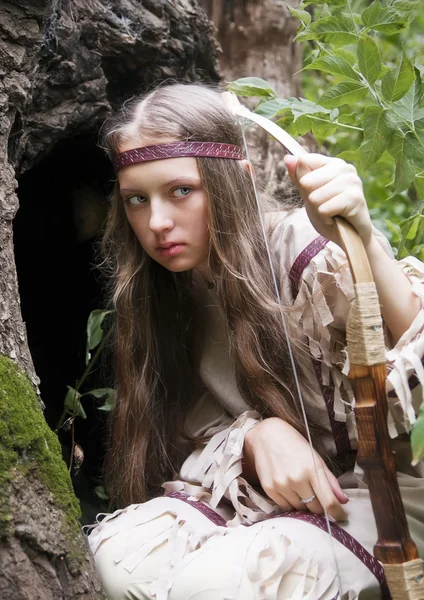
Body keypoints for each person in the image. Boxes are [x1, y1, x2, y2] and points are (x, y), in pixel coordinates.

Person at [87, 82, 424, 600]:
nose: (156, 223)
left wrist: (358, 239)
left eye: (181, 191)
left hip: (384, 500)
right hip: (259, 498)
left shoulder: (302, 252)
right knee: (121, 559)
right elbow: (187, 431)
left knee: (218, 584)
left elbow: (410, 353)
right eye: (137, 199)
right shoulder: (164, 292)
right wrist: (253, 436)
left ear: (234, 183)